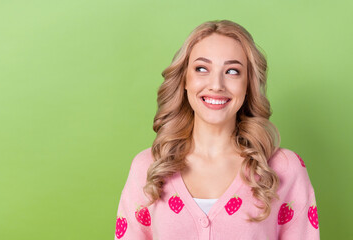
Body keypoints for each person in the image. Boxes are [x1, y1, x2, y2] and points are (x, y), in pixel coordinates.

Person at [114, 19, 320, 239]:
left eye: (232, 71)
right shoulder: (147, 168)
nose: (216, 85)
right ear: (185, 79)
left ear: (248, 84)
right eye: (202, 68)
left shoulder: (283, 168)